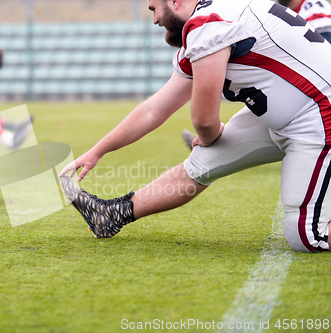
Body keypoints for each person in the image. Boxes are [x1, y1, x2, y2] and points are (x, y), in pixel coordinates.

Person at [59, 0, 331, 253]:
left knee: (306, 236)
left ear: (176, 1)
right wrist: (98, 151)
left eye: (154, 8)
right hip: (299, 105)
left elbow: (204, 120)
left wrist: (209, 134)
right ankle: (111, 215)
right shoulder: (216, 15)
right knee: (204, 161)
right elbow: (154, 109)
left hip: (318, 113)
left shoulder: (206, 25)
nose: (154, 19)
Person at [181, 0, 331, 149]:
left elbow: (323, 58)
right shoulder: (278, 9)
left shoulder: (314, 8)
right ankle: (212, 149)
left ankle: (214, 147)